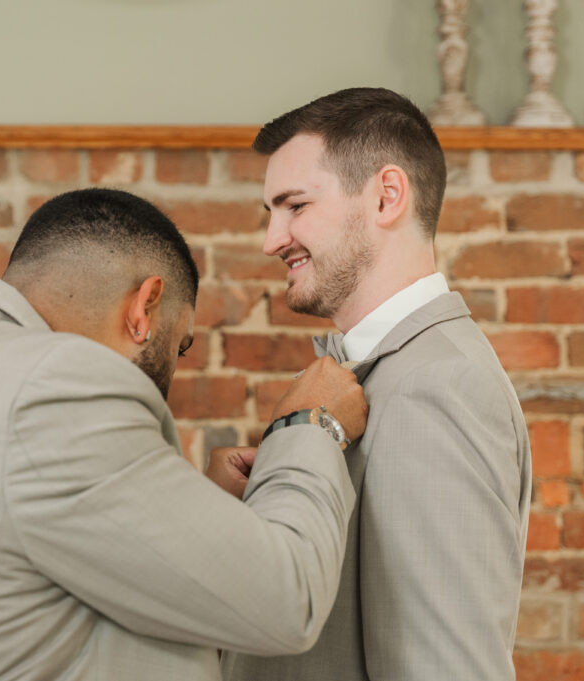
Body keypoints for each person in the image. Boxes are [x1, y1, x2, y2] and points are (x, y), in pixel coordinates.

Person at [0, 188, 368, 681]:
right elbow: (288, 601)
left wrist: (198, 511)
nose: (175, 371)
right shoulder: (59, 386)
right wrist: (308, 425)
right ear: (144, 307)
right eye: (179, 345)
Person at [221, 88, 532, 680]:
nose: (271, 239)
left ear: (387, 196)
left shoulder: (437, 389)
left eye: (294, 206)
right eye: (271, 212)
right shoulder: (383, 373)